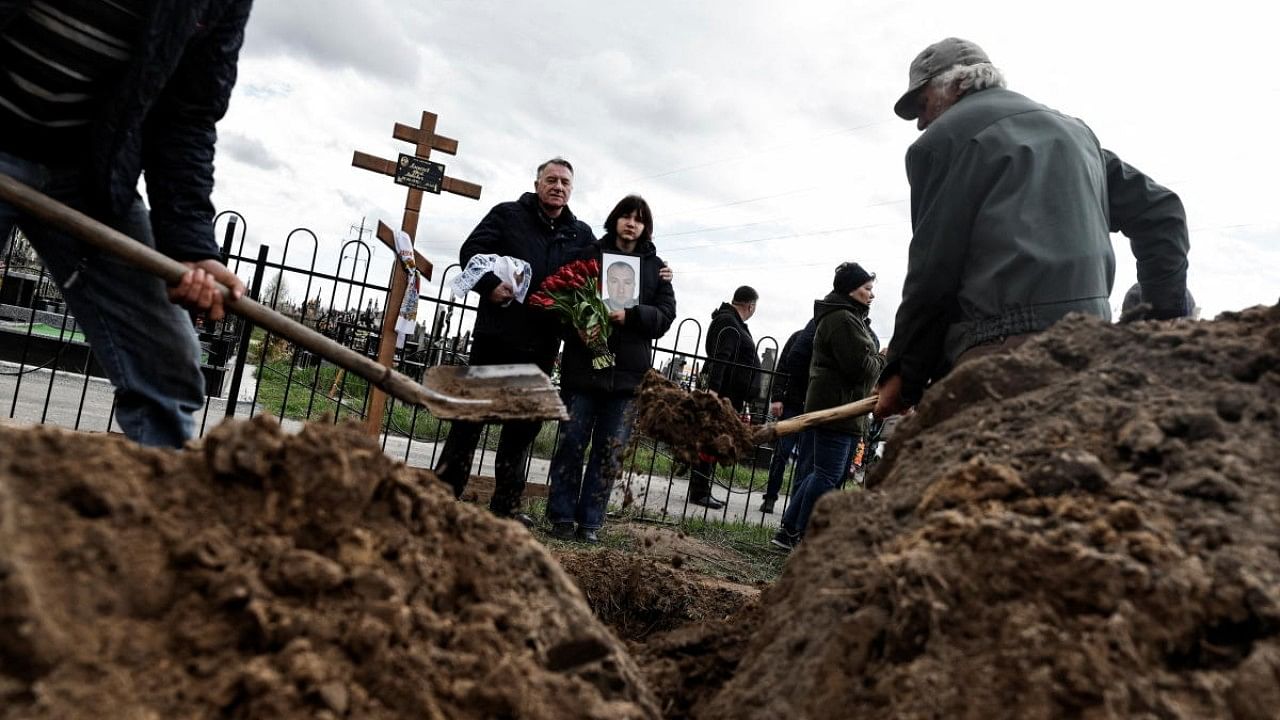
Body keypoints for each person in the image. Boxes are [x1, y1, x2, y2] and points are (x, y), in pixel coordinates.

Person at [875, 38, 1191, 420]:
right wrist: (1156, 321)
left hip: (998, 359)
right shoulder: (1077, 134)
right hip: (1090, 351)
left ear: (957, 85)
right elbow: (1163, 212)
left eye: (923, 105)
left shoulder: (942, 141)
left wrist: (903, 375)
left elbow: (933, 271)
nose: (922, 123)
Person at [0, 0, 252, 448]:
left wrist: (191, 246)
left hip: (86, 170)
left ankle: (156, 506)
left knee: (167, 367)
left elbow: (187, 114)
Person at [434, 157, 595, 526]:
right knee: (468, 421)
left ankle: (506, 506)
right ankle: (442, 495)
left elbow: (599, 274)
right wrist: (490, 285)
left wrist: (658, 270)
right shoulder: (507, 215)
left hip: (540, 345)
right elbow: (470, 252)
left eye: (565, 182)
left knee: (521, 430)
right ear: (537, 183)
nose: (558, 186)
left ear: (571, 190)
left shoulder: (579, 234)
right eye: (551, 179)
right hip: (495, 337)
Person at [546, 195, 676, 543]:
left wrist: (631, 315)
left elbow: (665, 315)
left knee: (610, 451)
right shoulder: (589, 255)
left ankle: (590, 523)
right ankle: (560, 516)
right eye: (625, 216)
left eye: (639, 219)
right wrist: (577, 322)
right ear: (615, 219)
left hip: (627, 378)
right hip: (584, 369)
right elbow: (565, 298)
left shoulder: (655, 267)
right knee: (572, 443)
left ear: (646, 227)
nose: (631, 224)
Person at [773, 263, 884, 551]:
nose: (872, 295)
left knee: (824, 474)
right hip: (836, 409)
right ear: (850, 289)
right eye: (867, 288)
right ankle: (799, 533)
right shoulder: (842, 320)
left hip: (844, 409)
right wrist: (883, 358)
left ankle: (791, 531)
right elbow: (861, 368)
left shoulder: (850, 318)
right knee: (826, 475)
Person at [691, 285, 763, 510]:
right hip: (724, 394)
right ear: (750, 306)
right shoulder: (729, 322)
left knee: (713, 441)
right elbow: (722, 358)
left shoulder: (731, 321)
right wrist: (714, 390)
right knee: (711, 442)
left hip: (729, 394)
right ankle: (700, 491)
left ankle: (702, 489)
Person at [759, 317, 816, 514]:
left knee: (806, 461)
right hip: (792, 403)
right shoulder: (799, 338)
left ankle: (795, 504)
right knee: (782, 453)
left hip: (814, 406)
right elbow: (782, 368)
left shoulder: (830, 341)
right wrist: (777, 397)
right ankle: (770, 497)